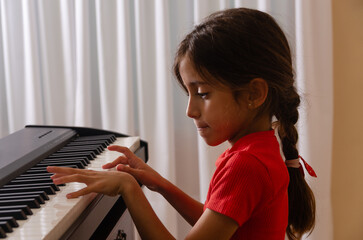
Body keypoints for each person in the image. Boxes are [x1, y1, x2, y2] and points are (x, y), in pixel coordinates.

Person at [47, 8, 317, 240]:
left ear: (254, 94)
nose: (190, 110)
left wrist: (128, 188)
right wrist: (161, 185)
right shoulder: (260, 150)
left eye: (202, 93)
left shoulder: (245, 165)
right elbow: (220, 224)